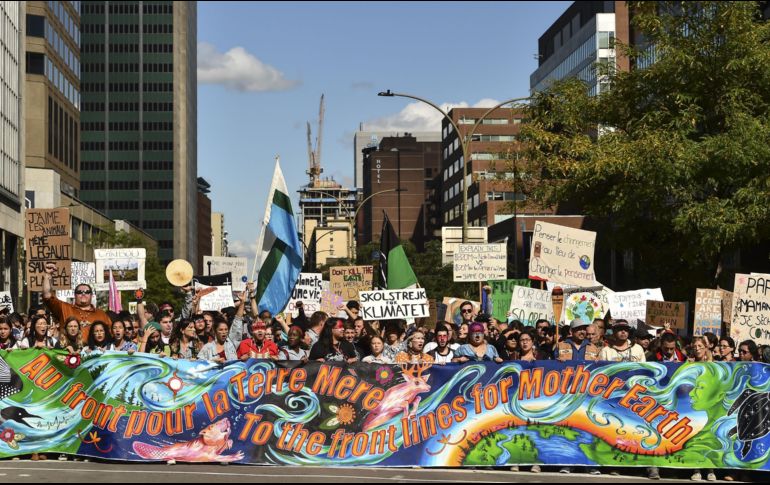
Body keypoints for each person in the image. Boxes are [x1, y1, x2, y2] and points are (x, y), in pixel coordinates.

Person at [41, 262, 112, 342]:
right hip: (69, 352)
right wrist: (47, 275)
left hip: (94, 352)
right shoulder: (64, 308)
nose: (83, 294)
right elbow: (47, 296)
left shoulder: (101, 314)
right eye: (79, 292)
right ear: (75, 295)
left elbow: (110, 336)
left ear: (91, 295)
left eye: (87, 292)